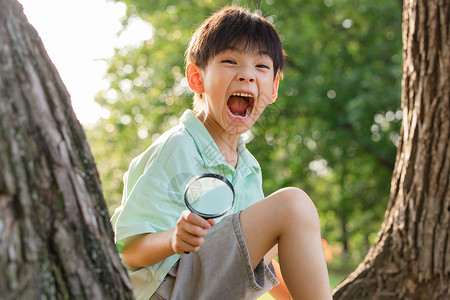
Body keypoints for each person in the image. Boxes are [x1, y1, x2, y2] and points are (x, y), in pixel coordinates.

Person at [111, 5, 332, 300]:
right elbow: (128, 250)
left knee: (287, 219)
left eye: (262, 66)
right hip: (164, 291)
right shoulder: (177, 148)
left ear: (274, 87)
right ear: (196, 78)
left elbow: (256, 256)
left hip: (202, 285)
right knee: (292, 205)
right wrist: (173, 240)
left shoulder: (249, 169)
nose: (247, 76)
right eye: (230, 61)